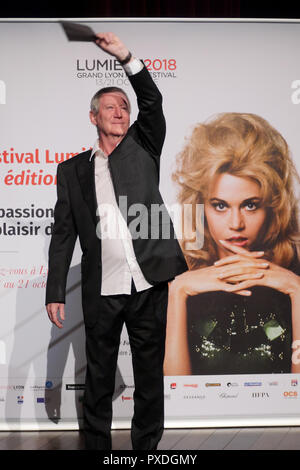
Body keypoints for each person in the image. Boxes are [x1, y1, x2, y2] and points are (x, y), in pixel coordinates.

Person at [45, 32, 187, 450]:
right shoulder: (72, 171)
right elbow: (63, 235)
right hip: (102, 287)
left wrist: (125, 56)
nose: (120, 112)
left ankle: (146, 450)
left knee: (148, 377)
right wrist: (55, 291)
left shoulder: (144, 145)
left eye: (124, 106)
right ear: (93, 117)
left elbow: (153, 101)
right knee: (100, 376)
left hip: (147, 283)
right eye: (110, 107)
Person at [164, 112, 300, 376]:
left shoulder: (295, 269)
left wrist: (296, 289)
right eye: (220, 206)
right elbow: (176, 399)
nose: (236, 223)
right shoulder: (174, 272)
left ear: (271, 206)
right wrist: (177, 292)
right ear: (201, 207)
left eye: (250, 205)